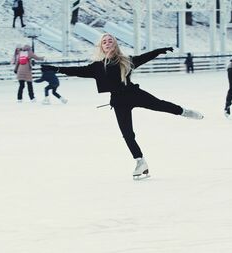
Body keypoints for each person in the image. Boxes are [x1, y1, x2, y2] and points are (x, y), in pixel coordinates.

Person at [41, 33, 203, 180]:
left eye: (110, 40)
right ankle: (141, 162)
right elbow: (77, 70)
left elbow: (144, 57)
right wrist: (56, 69)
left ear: (115, 44)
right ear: (101, 46)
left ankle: (184, 112)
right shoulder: (97, 66)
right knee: (127, 134)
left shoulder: (126, 61)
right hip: (118, 101)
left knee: (160, 105)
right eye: (104, 41)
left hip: (133, 93)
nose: (107, 42)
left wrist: (158, 51)